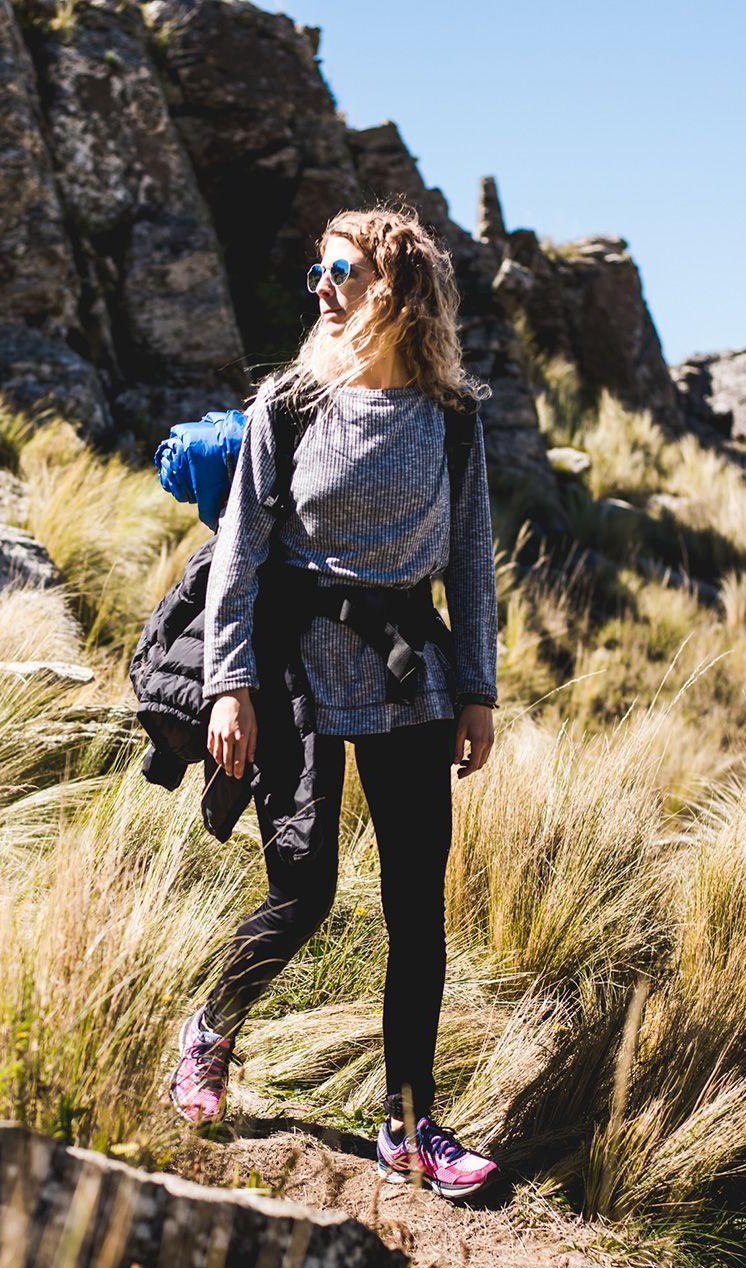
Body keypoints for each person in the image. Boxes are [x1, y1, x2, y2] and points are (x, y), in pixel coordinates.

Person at [167, 206, 502, 1200]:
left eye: (340, 269)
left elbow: (472, 565)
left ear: (389, 290)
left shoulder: (451, 419)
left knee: (415, 905)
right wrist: (229, 683)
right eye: (318, 266)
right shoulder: (290, 404)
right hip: (297, 672)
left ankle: (409, 1124)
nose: (320, 282)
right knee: (304, 887)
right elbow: (240, 555)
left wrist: (478, 689)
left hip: (413, 677)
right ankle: (211, 1029)